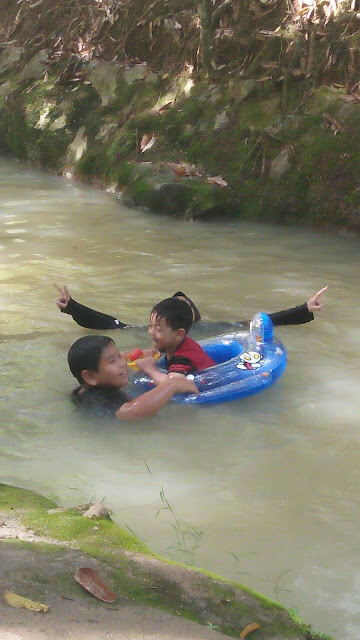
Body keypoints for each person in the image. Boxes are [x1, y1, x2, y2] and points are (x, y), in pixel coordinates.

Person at [54, 284, 328, 331]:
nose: (152, 330)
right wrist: (72, 307)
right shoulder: (149, 333)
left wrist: (304, 309)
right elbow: (109, 323)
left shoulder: (211, 330)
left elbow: (260, 322)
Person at [67, 335, 198, 421]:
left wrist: (138, 358)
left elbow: (115, 367)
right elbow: (131, 412)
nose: (122, 363)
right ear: (89, 376)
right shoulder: (98, 399)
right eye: (112, 361)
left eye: (119, 356)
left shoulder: (88, 387)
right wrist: (172, 385)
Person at [135, 297, 215, 386]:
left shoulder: (184, 358)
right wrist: (152, 352)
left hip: (207, 384)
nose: (151, 332)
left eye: (158, 329)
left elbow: (173, 385)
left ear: (179, 334)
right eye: (150, 325)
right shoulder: (172, 342)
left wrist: (150, 369)